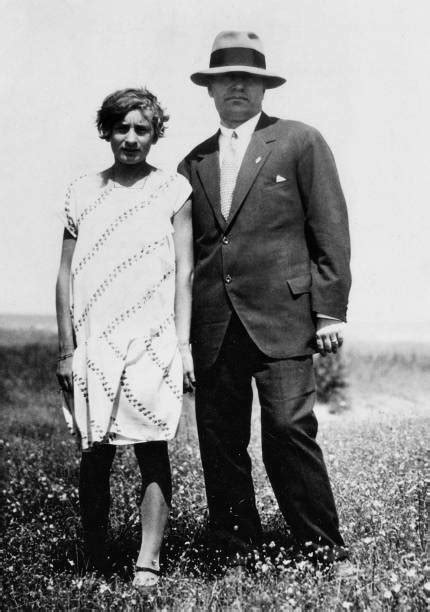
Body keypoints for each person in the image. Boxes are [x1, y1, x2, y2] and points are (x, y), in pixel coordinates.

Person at [178, 31, 352, 571]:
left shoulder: (299, 141)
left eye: (247, 79)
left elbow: (330, 228)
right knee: (221, 441)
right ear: (209, 90)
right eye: (224, 79)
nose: (236, 87)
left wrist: (329, 310)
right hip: (214, 326)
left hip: (284, 320)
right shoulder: (194, 163)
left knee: (288, 431)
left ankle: (323, 549)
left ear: (262, 87)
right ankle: (235, 552)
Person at [56, 88, 194, 588]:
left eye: (142, 129)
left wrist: (182, 346)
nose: (131, 138)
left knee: (151, 449)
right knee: (95, 454)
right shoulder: (81, 191)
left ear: (155, 134)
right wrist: (67, 350)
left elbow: (184, 274)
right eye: (122, 128)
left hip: (152, 340)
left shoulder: (175, 190)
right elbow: (65, 275)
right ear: (106, 131)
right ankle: (94, 555)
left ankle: (147, 560)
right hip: (94, 342)